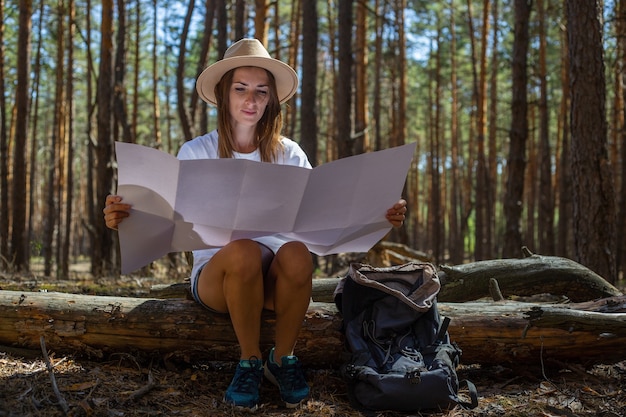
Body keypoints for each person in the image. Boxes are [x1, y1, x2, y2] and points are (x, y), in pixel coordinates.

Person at [103, 38, 407, 411]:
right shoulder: (195, 152)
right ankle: (249, 361)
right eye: (241, 89)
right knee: (244, 250)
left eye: (262, 92)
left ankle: (283, 360)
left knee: (296, 252)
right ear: (223, 94)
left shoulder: (289, 153)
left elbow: (320, 215)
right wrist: (126, 219)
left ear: (271, 100)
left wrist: (378, 216)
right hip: (219, 279)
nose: (251, 100)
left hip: (277, 283)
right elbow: (166, 219)